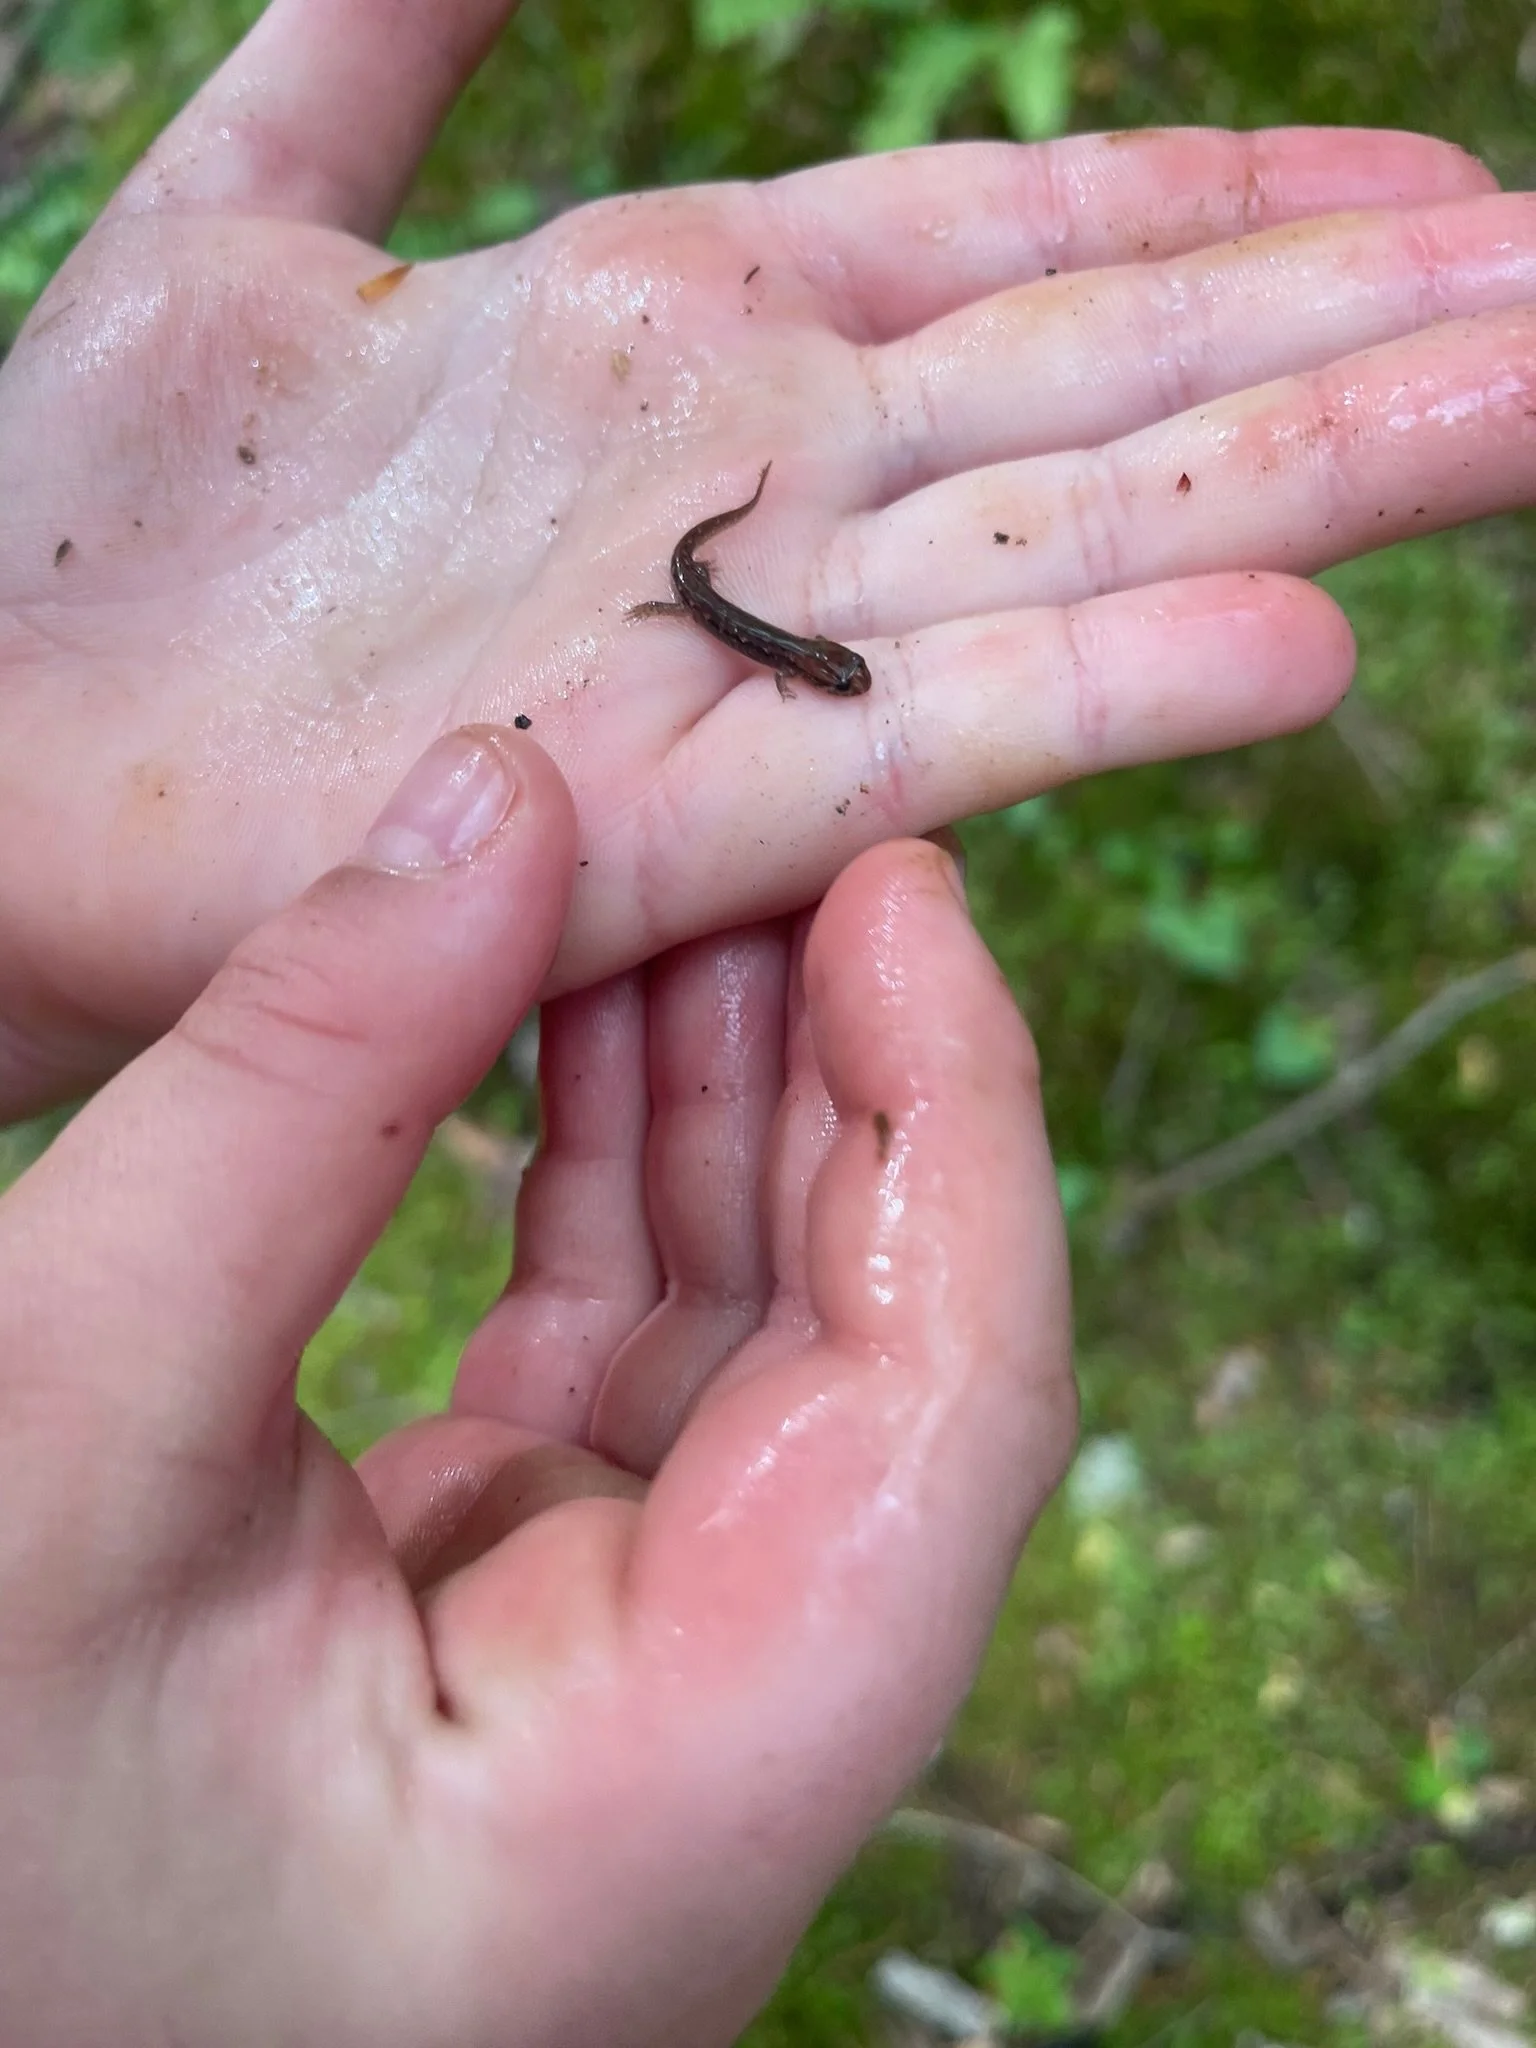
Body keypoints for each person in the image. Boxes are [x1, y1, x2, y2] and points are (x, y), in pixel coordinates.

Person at [0, 0, 1532, 2040]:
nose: (811, 670)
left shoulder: (779, 639)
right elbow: (721, 615)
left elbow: (750, 626)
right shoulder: (749, 626)